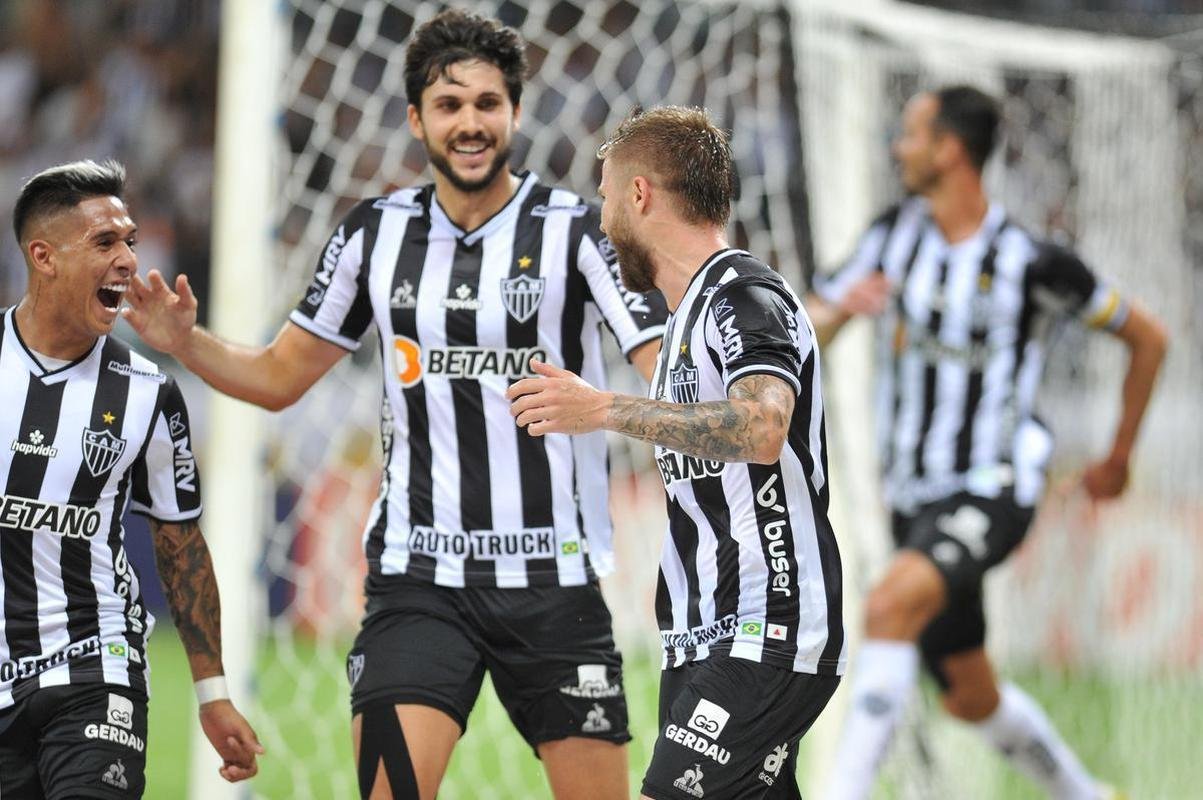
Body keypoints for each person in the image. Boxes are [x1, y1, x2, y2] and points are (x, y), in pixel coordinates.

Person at [122, 10, 667, 800]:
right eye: (449, 106)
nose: (470, 123)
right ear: (417, 119)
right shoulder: (372, 235)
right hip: (419, 580)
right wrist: (186, 343)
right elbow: (280, 376)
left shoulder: (579, 233)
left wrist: (609, 407)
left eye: (487, 104)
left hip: (555, 581)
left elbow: (668, 370)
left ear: (514, 112)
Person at [805, 86, 1168, 800]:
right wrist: (839, 309)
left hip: (991, 484)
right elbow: (808, 329)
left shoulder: (1032, 262)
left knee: (886, 606)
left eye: (910, 134)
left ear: (947, 149)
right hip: (911, 497)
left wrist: (1118, 456)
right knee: (969, 696)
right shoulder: (891, 236)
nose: (896, 147)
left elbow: (1147, 338)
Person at [506, 105, 845, 800]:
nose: (602, 223)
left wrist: (602, 409)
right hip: (702, 635)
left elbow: (761, 428)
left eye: (604, 199)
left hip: (766, 626)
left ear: (639, 195)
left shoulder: (743, 295)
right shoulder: (684, 319)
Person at [0, 159, 262, 797]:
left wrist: (213, 692)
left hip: (99, 667)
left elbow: (180, 544)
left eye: (130, 242)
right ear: (44, 256)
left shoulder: (148, 394)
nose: (127, 260)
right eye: (104, 242)